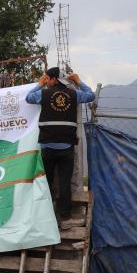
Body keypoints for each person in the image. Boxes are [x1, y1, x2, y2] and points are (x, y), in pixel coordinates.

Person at [25, 67, 95, 222]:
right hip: (67, 147)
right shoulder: (74, 94)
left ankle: (47, 218)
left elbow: (28, 98)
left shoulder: (43, 93)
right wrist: (79, 82)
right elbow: (91, 96)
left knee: (47, 183)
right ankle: (65, 217)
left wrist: (39, 84)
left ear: (54, 79)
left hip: (47, 147)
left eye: (47, 78)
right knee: (64, 183)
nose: (46, 81)